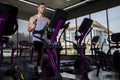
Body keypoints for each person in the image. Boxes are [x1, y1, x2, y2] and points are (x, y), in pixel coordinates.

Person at [28, 2, 50, 79]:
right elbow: (29, 29)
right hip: (36, 40)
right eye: (41, 7)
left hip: (45, 40)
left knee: (54, 50)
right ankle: (39, 70)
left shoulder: (47, 20)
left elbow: (51, 29)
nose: (43, 9)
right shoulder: (33, 18)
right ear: (38, 8)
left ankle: (51, 68)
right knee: (40, 52)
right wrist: (32, 27)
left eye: (44, 8)